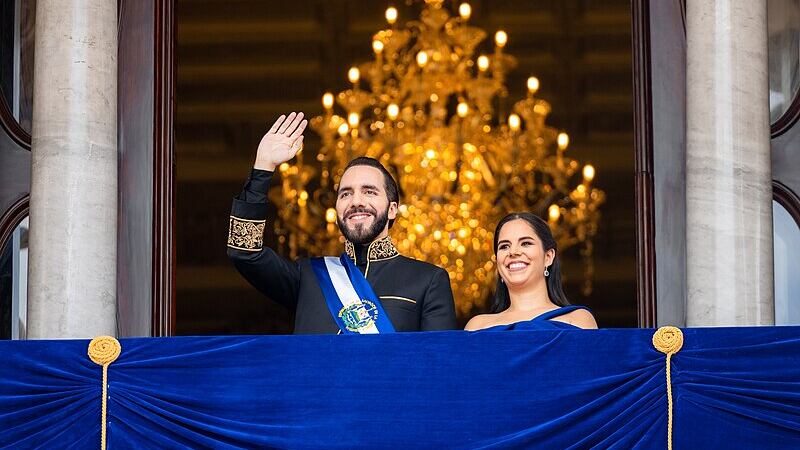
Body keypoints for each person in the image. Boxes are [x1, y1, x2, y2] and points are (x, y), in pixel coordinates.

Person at [227, 112, 457, 334]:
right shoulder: (308, 276)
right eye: (346, 194)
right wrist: (263, 167)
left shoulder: (428, 280)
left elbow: (438, 357)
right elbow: (244, 252)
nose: (356, 201)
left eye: (369, 191)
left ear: (392, 209)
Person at [464, 212, 597, 331]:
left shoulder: (579, 320)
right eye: (504, 246)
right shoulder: (477, 327)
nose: (513, 252)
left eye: (525, 243)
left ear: (548, 257)